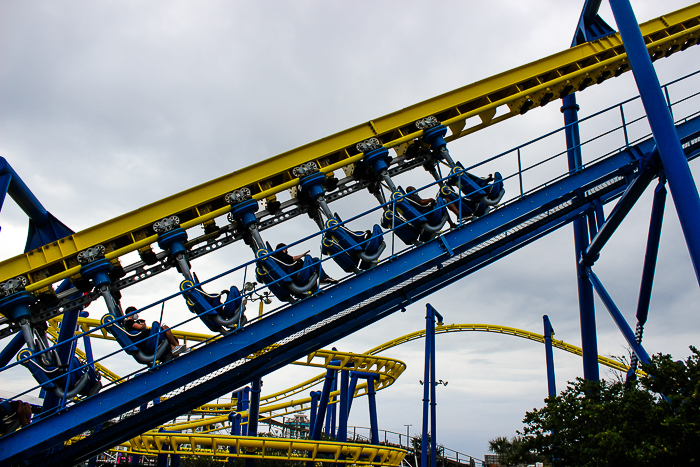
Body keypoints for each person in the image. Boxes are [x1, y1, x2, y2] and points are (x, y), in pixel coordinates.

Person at [274, 243, 338, 284]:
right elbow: (291, 259)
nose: (286, 250)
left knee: (316, 260)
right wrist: (303, 255)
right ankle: (323, 278)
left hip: (299, 271)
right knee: (308, 257)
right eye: (285, 249)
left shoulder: (280, 256)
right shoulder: (280, 254)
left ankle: (324, 278)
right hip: (298, 274)